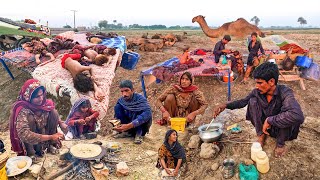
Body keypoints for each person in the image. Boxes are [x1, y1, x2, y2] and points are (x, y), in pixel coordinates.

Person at [213, 63, 304, 157]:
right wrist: (225, 105)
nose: (256, 86)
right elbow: (243, 102)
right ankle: (261, 135)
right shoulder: (257, 92)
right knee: (252, 102)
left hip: (283, 130)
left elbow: (297, 115)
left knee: (287, 113)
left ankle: (280, 143)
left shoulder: (285, 92)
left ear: (271, 81)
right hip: (267, 128)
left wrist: (270, 120)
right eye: (256, 83)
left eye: (260, 83)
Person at [9, 79, 66, 157]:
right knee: (30, 119)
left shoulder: (45, 103)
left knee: (53, 112)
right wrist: (50, 137)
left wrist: (61, 123)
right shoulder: (22, 109)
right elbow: (24, 133)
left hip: (44, 132)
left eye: (42, 94)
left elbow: (53, 113)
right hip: (32, 139)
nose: (41, 99)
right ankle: (32, 152)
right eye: (37, 97)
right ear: (28, 97)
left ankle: (50, 144)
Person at [113, 80, 152, 144]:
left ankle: (139, 134)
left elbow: (147, 113)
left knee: (139, 113)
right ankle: (127, 132)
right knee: (117, 107)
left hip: (139, 125)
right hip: (128, 125)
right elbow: (118, 114)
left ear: (132, 90)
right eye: (122, 91)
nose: (124, 94)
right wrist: (117, 123)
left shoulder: (140, 99)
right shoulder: (121, 100)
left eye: (126, 90)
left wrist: (130, 125)